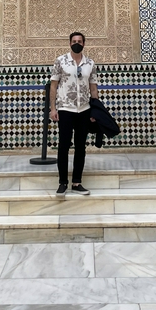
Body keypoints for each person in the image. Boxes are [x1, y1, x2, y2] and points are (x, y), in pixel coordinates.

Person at [49, 31, 98, 198]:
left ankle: (77, 182)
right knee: (63, 146)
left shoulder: (90, 63)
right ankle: (63, 182)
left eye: (80, 41)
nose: (77, 43)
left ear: (84, 43)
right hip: (65, 109)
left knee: (80, 147)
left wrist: (95, 110)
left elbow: (93, 88)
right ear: (69, 43)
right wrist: (53, 108)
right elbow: (53, 86)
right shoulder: (60, 61)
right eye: (74, 41)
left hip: (83, 110)